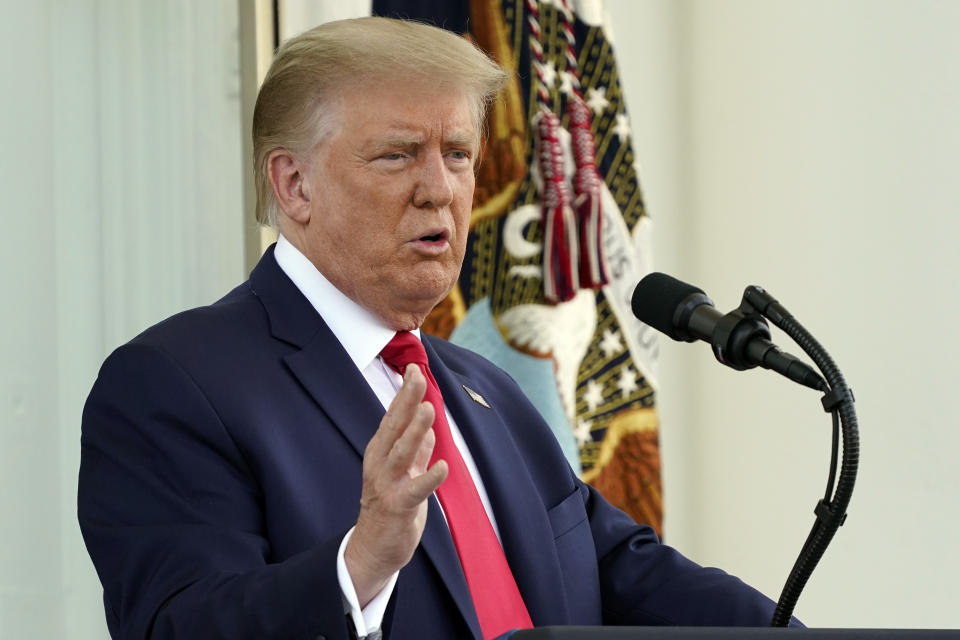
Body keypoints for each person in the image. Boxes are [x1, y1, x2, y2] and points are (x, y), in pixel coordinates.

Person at [78, 16, 793, 640]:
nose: (440, 188)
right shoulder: (176, 384)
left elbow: (620, 572)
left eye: (457, 154)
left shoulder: (489, 390)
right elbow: (179, 625)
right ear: (293, 184)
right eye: (397, 154)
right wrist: (360, 564)